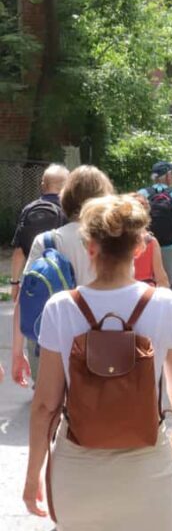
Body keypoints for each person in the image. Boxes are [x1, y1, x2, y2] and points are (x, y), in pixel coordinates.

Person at [22, 194, 172, 531]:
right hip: (146, 463)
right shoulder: (166, 305)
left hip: (80, 467)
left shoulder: (61, 308)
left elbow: (45, 405)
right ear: (141, 245)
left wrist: (34, 473)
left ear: (90, 246)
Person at [12, 165, 114, 387]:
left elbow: (25, 297)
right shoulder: (115, 240)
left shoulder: (47, 241)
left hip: (53, 341)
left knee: (51, 409)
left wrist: (18, 353)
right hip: (105, 339)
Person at [10, 163, 70, 303]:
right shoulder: (70, 210)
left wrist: (14, 283)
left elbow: (19, 252)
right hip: (62, 279)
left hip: (32, 279)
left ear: (43, 184)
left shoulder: (29, 208)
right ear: (66, 186)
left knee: (27, 321)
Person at [139, 160, 172, 285]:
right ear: (168, 176)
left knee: (145, 283)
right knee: (170, 283)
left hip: (145, 246)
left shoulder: (141, 194)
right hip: (171, 247)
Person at [130, 193, 169, 287]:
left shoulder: (115, 240)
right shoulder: (150, 241)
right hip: (146, 292)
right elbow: (161, 279)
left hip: (122, 291)